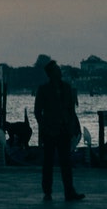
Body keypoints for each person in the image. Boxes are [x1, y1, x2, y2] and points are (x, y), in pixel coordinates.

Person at [35, 60, 83, 201]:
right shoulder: (43, 90)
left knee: (66, 163)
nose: (60, 72)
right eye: (57, 70)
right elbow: (38, 112)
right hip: (49, 132)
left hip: (64, 131)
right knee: (48, 163)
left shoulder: (67, 88)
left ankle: (69, 191)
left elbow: (70, 110)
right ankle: (47, 191)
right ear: (51, 74)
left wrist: (72, 126)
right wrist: (45, 127)